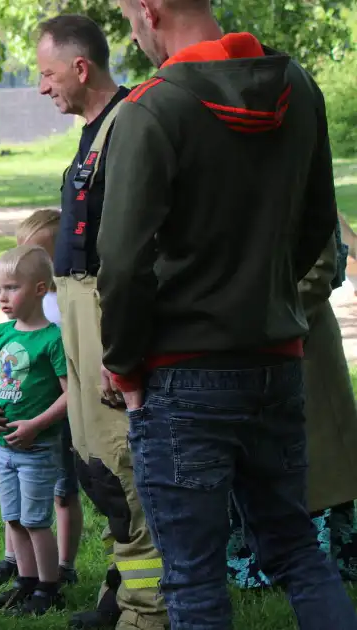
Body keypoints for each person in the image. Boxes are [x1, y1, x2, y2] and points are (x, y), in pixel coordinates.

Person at [99, 1, 357, 628]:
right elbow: (319, 222)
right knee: (297, 549)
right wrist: (261, 295)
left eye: (129, 18)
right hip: (277, 362)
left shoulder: (150, 108)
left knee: (191, 578)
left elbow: (123, 264)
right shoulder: (297, 86)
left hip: (181, 373)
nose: (133, 35)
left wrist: (124, 367)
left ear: (149, 9)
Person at [35, 14, 167, 630]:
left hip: (106, 322)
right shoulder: (95, 129)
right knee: (94, 466)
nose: (42, 87)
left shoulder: (130, 125)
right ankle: (123, 592)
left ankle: (149, 612)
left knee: (122, 467)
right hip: (79, 321)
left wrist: (122, 350)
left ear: (81, 68)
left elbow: (132, 256)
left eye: (47, 73)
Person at [227, 219, 357, 587]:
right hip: (228, 348)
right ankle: (250, 563)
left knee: (316, 460)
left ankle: (318, 560)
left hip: (299, 335)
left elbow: (320, 266)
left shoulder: (298, 166)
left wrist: (266, 321)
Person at [0, 209, 83, 588]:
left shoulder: (71, 297)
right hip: (17, 421)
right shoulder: (11, 315)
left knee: (61, 490)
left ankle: (63, 565)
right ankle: (16, 561)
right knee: (17, 501)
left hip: (59, 413)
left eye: (35, 252)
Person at [0, 244, 68, 616]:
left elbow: (70, 394)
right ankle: (25, 583)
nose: (2, 297)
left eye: (11, 288)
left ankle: (48, 588)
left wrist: (36, 424)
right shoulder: (0, 333)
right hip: (4, 448)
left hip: (38, 448)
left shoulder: (52, 339)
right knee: (12, 519)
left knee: (35, 521)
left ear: (41, 289)